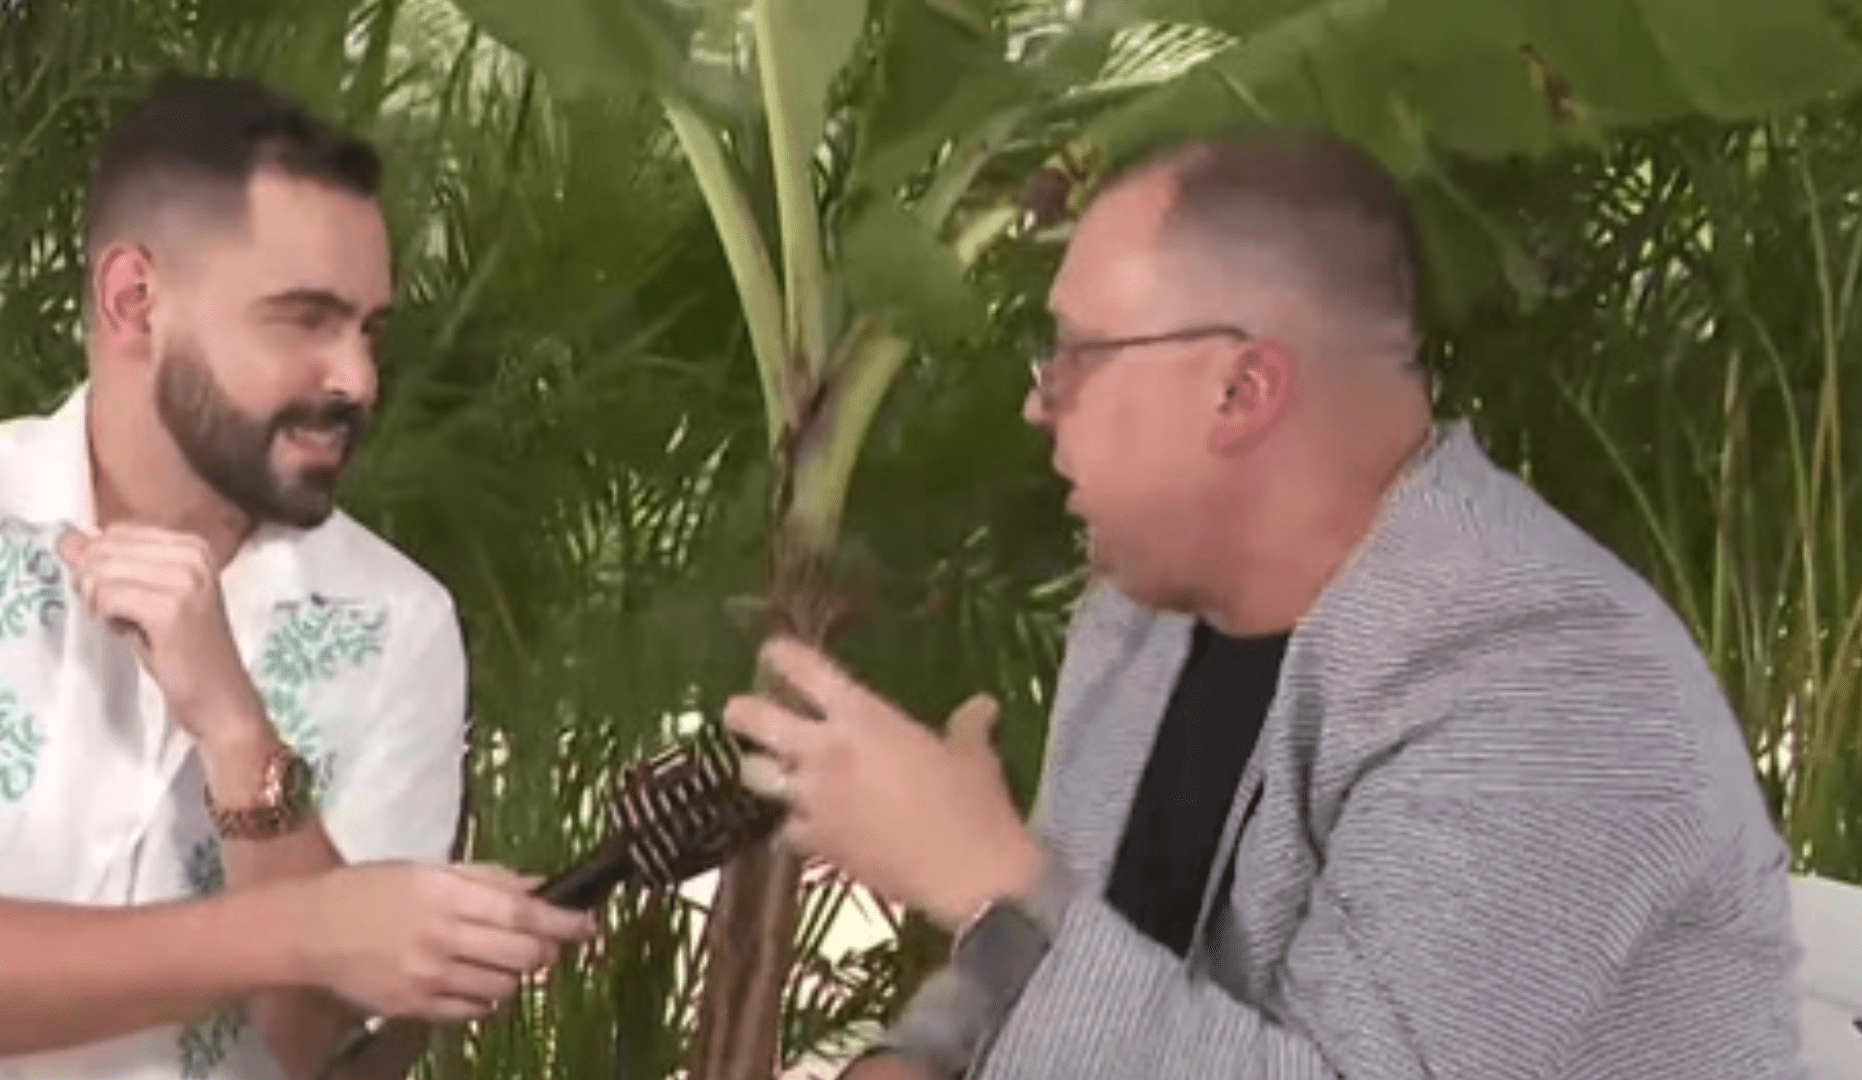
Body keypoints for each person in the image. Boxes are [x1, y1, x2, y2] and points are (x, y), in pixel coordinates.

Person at [722, 130, 1810, 1079]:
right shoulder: (1143, 617)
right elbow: (1051, 944)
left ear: (1241, 390)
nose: (1038, 402)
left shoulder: (1544, 685)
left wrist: (976, 872)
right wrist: (915, 1056)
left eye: (1076, 356)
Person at [0, 75, 593, 1080]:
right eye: (303, 320)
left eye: (369, 329)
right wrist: (299, 928)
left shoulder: (397, 623)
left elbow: (320, 1041)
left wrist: (239, 734)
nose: (358, 380)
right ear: (135, 301)